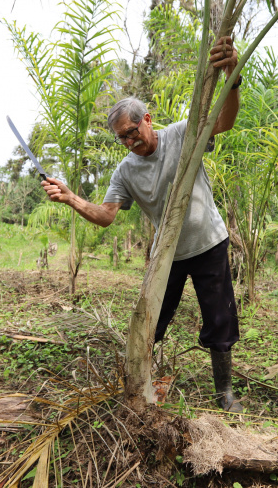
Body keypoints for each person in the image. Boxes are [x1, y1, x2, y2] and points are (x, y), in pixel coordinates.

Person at [41, 37, 244, 412]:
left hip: (209, 244)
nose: (131, 142)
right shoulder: (125, 170)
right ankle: (144, 384)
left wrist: (233, 73)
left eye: (134, 131)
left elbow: (224, 121)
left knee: (220, 322)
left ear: (147, 120)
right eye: (122, 138)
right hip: (167, 254)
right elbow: (105, 216)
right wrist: (71, 198)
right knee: (152, 321)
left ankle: (224, 394)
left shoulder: (182, 134)